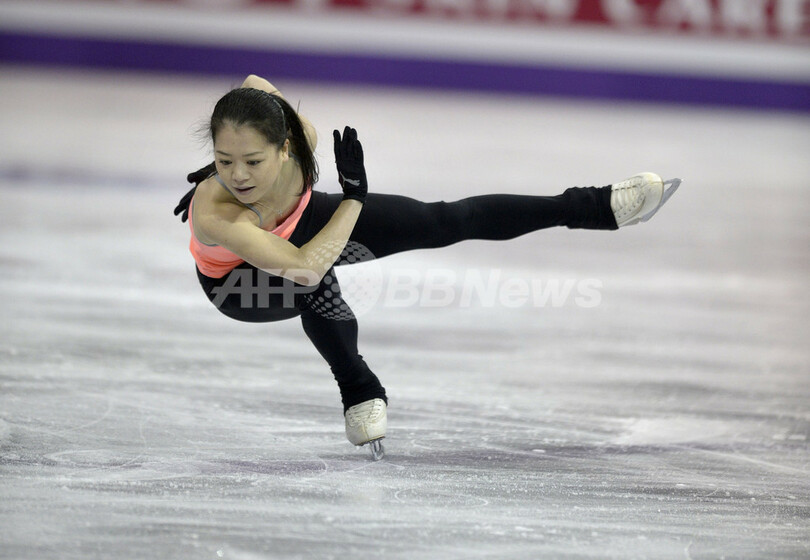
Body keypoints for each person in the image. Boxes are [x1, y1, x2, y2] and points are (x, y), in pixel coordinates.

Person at [174, 74, 679, 460]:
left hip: (302, 226)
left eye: (252, 161)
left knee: (445, 220)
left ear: (286, 146)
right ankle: (359, 390)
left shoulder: (300, 137)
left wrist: (242, 156)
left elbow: (255, 84)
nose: (238, 175)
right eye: (223, 161)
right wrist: (353, 198)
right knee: (315, 281)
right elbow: (304, 269)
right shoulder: (219, 213)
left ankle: (596, 206)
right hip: (240, 287)